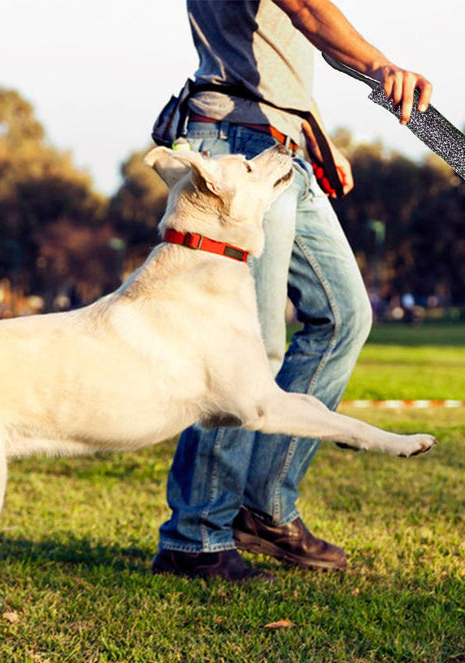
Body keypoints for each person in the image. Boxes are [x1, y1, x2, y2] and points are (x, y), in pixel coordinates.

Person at [151, 0, 433, 582]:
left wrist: (313, 135)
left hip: (281, 144)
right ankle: (196, 536)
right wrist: (381, 66)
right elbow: (305, 8)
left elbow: (275, 51)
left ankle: (264, 508)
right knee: (247, 351)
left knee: (344, 315)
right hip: (238, 145)